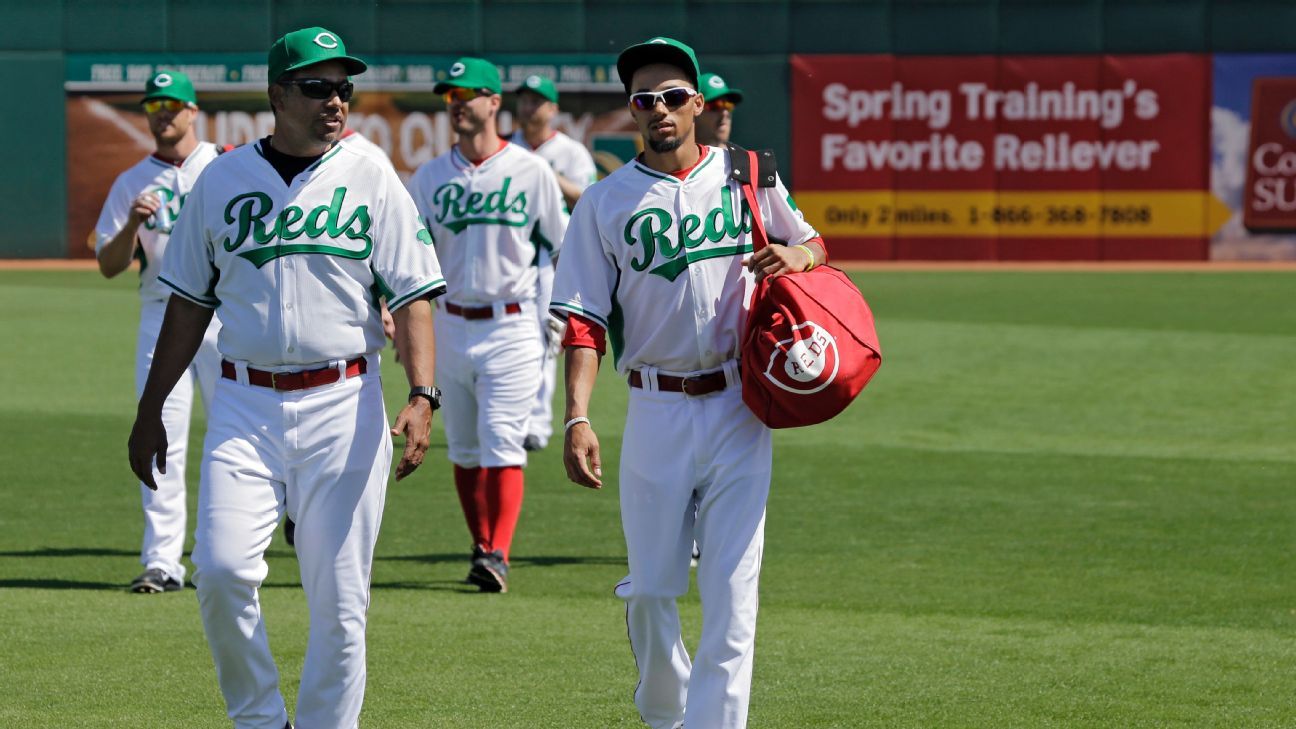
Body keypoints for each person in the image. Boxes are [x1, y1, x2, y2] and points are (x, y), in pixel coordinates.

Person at [127, 27, 445, 729]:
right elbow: (186, 300)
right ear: (277, 95)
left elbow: (415, 293)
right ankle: (261, 718)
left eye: (342, 88)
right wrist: (152, 407)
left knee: (339, 602)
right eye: (316, 86)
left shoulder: (371, 175)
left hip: (346, 400)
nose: (335, 100)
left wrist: (424, 392)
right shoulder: (223, 178)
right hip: (244, 403)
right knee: (221, 571)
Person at [550, 37, 826, 729]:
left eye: (674, 96)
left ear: (699, 103)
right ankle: (664, 708)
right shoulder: (604, 202)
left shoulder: (748, 174)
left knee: (734, 593)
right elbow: (582, 322)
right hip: (654, 406)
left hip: (740, 404)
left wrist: (795, 252)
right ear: (632, 112)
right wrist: (577, 416)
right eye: (645, 100)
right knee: (650, 590)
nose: (660, 109)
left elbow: (816, 244)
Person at [407, 57, 568, 593]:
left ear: (494, 102)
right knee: (466, 447)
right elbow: (406, 255)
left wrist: (566, 311)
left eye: (467, 93)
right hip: (449, 323)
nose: (456, 102)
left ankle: (499, 552)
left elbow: (564, 244)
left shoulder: (530, 171)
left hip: (513, 324)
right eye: (449, 95)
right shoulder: (429, 177)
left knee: (502, 440)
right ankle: (481, 546)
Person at [92, 69, 223, 594]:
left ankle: (222, 555)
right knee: (158, 435)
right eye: (154, 106)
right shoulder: (131, 182)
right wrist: (129, 225)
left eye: (172, 105)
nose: (163, 113)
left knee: (233, 436)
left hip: (223, 318)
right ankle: (163, 562)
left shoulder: (225, 165)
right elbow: (107, 264)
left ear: (193, 112)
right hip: (159, 314)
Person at [509, 74, 598, 452]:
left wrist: (544, 173)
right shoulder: (506, 148)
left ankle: (537, 422)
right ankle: (512, 416)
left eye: (537, 100)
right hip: (513, 254)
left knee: (548, 335)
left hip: (555, 254)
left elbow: (587, 199)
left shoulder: (570, 152)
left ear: (553, 108)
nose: (529, 107)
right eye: (524, 100)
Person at [694, 72, 743, 147]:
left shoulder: (744, 158)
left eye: (728, 105)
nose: (725, 113)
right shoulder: (674, 158)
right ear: (696, 109)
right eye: (714, 106)